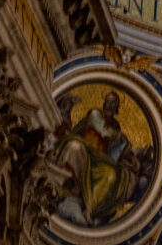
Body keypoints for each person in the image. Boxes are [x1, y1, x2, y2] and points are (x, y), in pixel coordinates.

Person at [54, 91, 151, 226]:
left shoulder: (116, 125)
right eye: (108, 102)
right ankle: (63, 188)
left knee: (110, 174)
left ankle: (90, 209)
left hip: (102, 160)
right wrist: (119, 136)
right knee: (74, 148)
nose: (110, 105)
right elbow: (103, 131)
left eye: (113, 103)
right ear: (104, 102)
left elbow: (117, 149)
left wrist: (132, 157)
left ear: (117, 106)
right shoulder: (95, 114)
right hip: (87, 150)